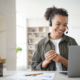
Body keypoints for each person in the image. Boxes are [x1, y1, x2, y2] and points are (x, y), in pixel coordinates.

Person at [31, 6, 78, 71]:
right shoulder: (41, 43)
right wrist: (46, 61)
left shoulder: (71, 41)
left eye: (65, 25)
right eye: (58, 24)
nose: (61, 28)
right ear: (50, 23)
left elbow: (77, 67)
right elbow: (33, 68)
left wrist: (63, 60)